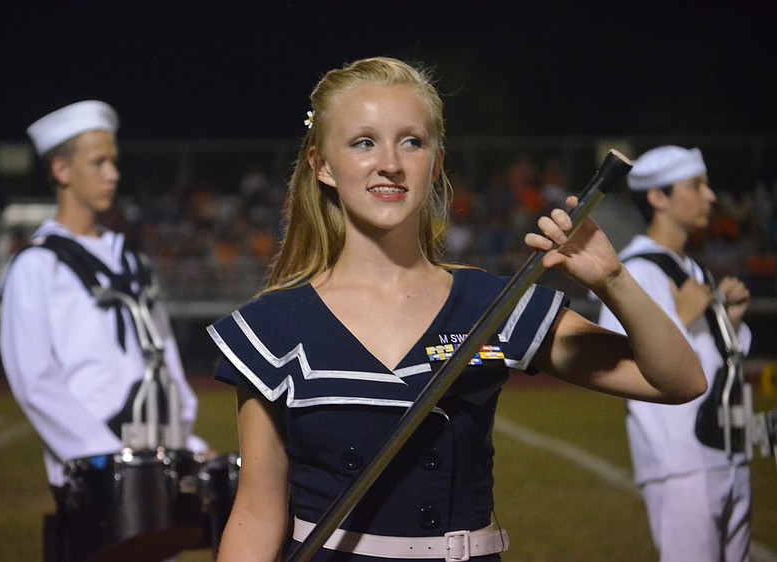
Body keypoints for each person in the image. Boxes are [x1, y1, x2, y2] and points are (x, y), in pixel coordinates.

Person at [206, 57, 705, 561]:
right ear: (322, 165)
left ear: (436, 162)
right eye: (363, 142)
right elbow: (258, 512)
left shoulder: (493, 303)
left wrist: (615, 281)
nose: (390, 163)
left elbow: (678, 381)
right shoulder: (273, 326)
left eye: (412, 142)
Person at [0, 100, 209, 561]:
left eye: (113, 161)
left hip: (156, 465)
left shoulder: (131, 259)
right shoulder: (36, 266)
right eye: (98, 162)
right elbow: (34, 379)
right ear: (61, 169)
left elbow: (164, 359)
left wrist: (184, 445)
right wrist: (108, 459)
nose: (113, 174)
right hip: (96, 477)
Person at [596, 145, 752, 562]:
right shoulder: (633, 272)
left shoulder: (692, 268)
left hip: (728, 453)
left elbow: (713, 357)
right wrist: (681, 317)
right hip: (680, 461)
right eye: (695, 186)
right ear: (657, 197)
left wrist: (729, 323)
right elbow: (618, 359)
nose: (710, 196)